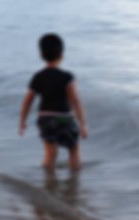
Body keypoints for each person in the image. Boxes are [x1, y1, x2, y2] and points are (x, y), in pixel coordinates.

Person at [19, 33, 88, 172]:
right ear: (62, 54)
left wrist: (22, 121)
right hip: (64, 118)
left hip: (44, 118)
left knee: (50, 153)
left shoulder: (38, 77)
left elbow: (27, 101)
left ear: (41, 55)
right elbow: (75, 100)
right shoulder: (67, 77)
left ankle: (48, 181)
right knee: (73, 148)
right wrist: (83, 124)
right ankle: (74, 181)